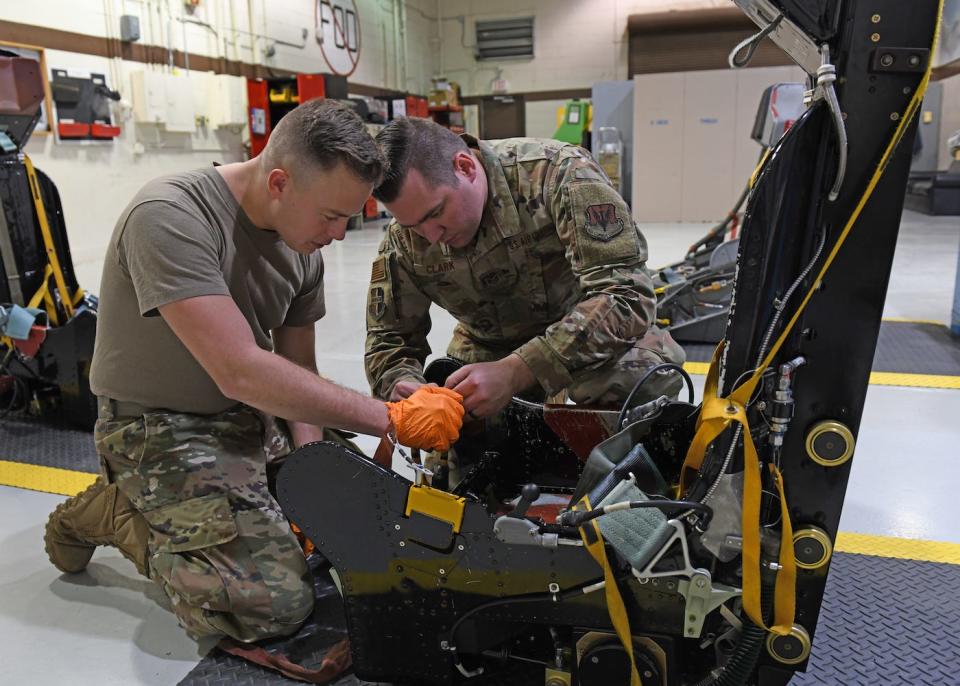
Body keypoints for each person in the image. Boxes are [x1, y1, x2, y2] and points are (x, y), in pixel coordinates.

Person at [43, 99, 463, 644]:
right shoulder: (170, 217)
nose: (339, 236)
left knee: (362, 522)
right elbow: (238, 369)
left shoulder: (301, 244)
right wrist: (391, 417)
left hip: (254, 414)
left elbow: (297, 370)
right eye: (332, 216)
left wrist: (309, 469)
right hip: (161, 428)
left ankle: (231, 502)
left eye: (351, 218)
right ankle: (124, 511)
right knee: (272, 605)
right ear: (280, 182)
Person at [364, 117, 685, 419]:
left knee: (634, 381)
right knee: (459, 447)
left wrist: (520, 369)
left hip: (583, 331)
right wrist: (403, 385)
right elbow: (388, 339)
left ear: (464, 167)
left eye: (436, 213)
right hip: (488, 345)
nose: (431, 237)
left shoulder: (561, 174)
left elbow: (627, 296)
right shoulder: (402, 240)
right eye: (413, 225)